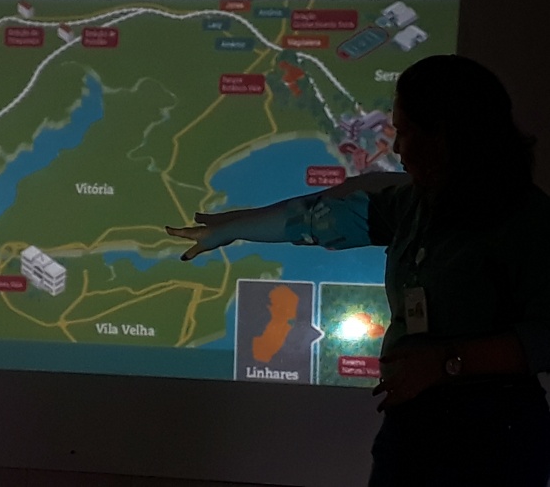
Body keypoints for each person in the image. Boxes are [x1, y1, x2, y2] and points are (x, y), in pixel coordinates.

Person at [166, 55, 550, 486]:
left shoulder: (528, 221)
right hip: (413, 429)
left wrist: (446, 363)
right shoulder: (416, 207)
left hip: (493, 441)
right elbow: (321, 218)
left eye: (406, 132)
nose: (397, 148)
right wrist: (231, 228)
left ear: (447, 136)